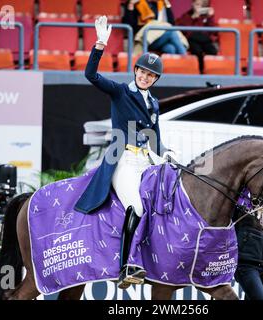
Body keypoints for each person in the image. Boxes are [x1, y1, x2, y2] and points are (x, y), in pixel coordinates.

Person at [74, 16, 175, 289]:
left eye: (150, 75)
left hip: (145, 162)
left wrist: (164, 154)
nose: (145, 76)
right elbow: (91, 75)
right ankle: (126, 267)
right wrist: (99, 45)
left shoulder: (153, 103)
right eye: (142, 71)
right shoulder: (120, 92)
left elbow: (155, 137)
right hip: (123, 159)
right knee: (137, 206)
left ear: (155, 79)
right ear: (136, 70)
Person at [123, 0, 188, 55]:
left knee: (170, 48)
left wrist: (167, 5)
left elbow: (170, 24)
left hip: (161, 38)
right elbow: (129, 26)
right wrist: (131, 6)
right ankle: (186, 61)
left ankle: (173, 69)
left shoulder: (158, 4)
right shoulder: (134, 4)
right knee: (171, 32)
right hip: (145, 40)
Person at [176, 0, 218, 73]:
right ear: (192, 4)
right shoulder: (187, 15)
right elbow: (182, 28)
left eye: (201, 5)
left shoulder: (206, 16)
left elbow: (213, 30)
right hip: (192, 39)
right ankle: (199, 70)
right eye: (197, 4)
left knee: (212, 50)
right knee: (197, 51)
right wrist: (193, 17)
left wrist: (210, 17)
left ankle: (210, 70)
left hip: (204, 39)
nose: (199, 7)